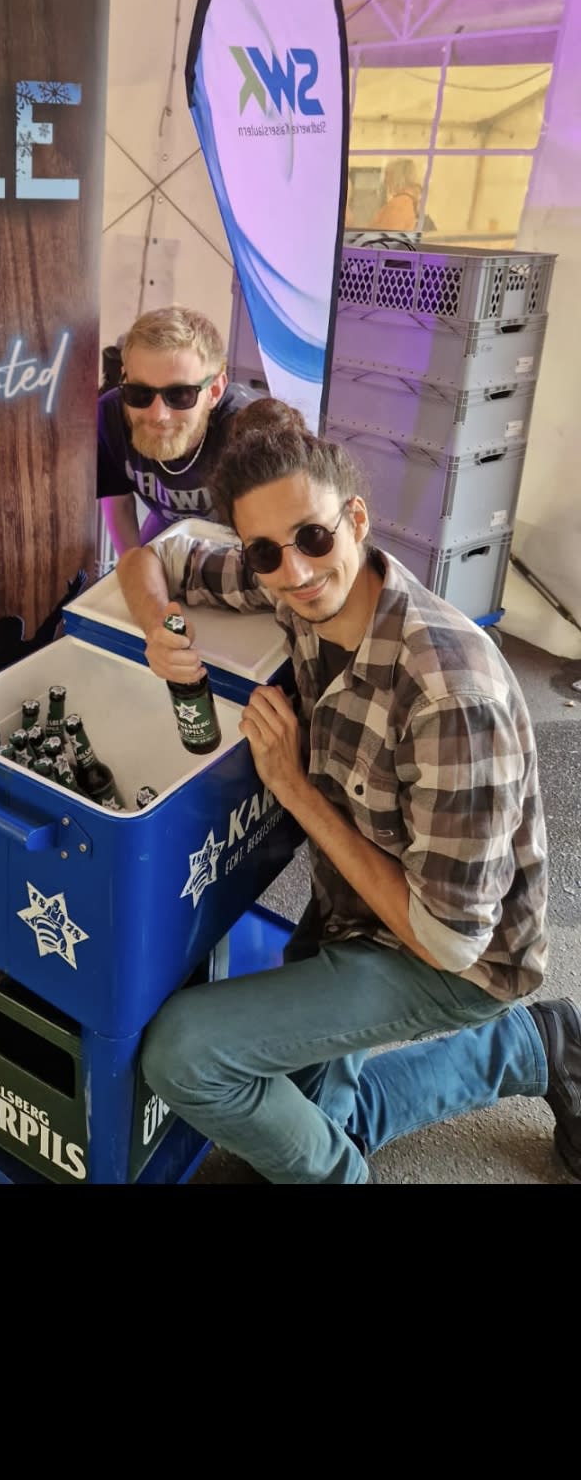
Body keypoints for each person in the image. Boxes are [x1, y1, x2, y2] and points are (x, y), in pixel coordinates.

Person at [115, 399, 579, 1185]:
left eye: (313, 538)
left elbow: (449, 941)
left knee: (188, 1056)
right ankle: (536, 1048)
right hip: (354, 911)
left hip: (452, 958)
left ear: (355, 519)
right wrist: (162, 626)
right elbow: (153, 558)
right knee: (307, 1118)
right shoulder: (288, 583)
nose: (294, 572)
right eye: (266, 552)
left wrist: (295, 789)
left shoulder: (449, 694)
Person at [97, 304, 255, 554]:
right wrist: (132, 563)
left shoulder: (248, 431)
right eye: (140, 392)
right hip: (168, 523)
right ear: (124, 378)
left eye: (180, 395)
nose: (158, 415)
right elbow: (118, 503)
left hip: (238, 538)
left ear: (214, 391)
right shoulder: (110, 414)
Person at [371, 157, 425, 232]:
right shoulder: (408, 201)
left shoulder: (400, 203)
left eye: (387, 174)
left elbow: (388, 236)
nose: (384, 180)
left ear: (397, 176)